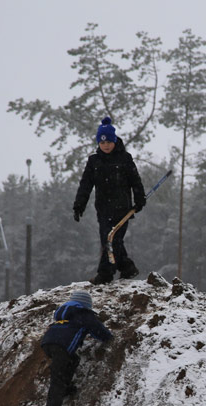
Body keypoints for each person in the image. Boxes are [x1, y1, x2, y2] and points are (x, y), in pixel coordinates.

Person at [73, 116, 146, 284]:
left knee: (112, 239)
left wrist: (139, 198)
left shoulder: (125, 159)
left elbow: (135, 180)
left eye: (108, 142)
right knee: (108, 240)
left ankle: (105, 274)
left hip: (123, 208)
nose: (105, 145)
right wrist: (79, 205)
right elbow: (86, 184)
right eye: (102, 142)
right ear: (99, 143)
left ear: (114, 141)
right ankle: (127, 267)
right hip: (103, 209)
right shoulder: (94, 161)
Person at [38, 290, 112, 406]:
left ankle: (66, 387)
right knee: (57, 379)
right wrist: (108, 338)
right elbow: (97, 329)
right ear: (86, 304)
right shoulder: (83, 314)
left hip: (48, 343)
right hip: (61, 346)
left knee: (73, 360)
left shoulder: (64, 313)